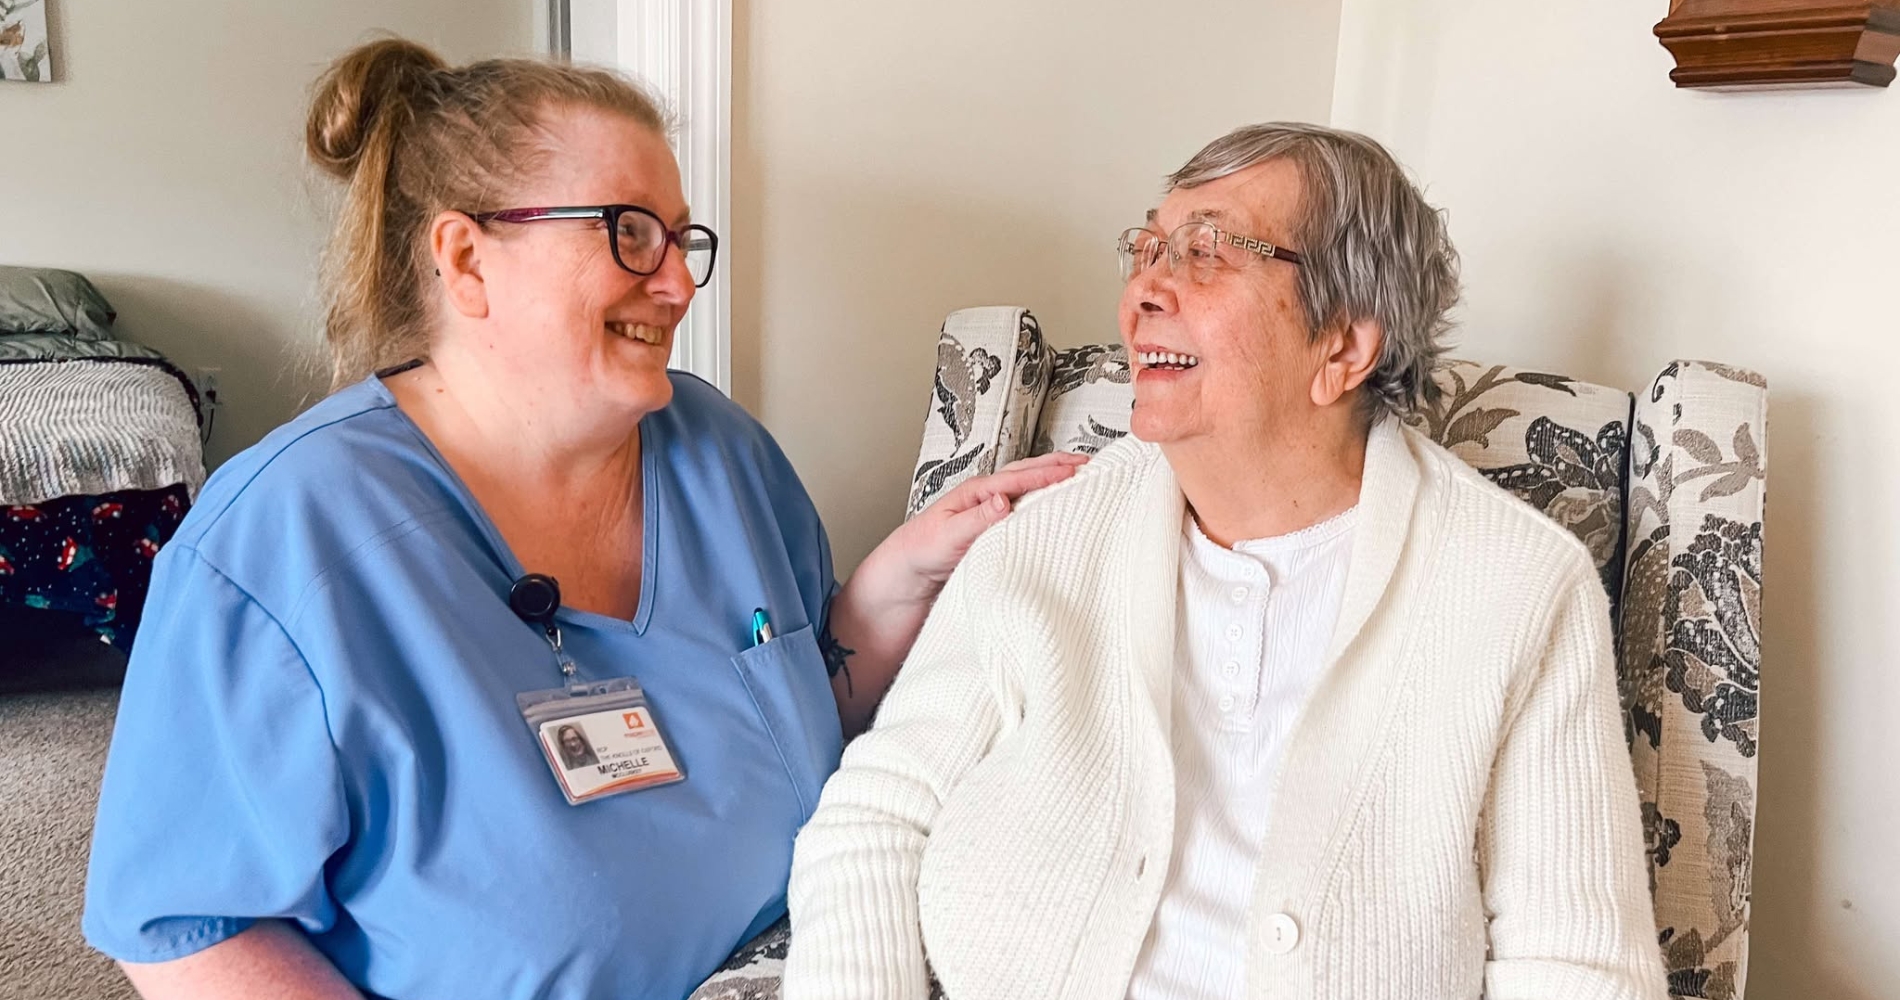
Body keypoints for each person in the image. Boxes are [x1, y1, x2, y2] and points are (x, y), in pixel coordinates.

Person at [81, 38, 1081, 1000]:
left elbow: (808, 708)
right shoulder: (282, 541)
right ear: (466, 260)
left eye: (682, 238)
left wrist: (900, 577)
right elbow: (188, 928)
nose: (680, 282)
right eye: (628, 231)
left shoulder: (722, 453)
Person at [783, 123, 1668, 1000]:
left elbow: (1578, 964)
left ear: (1344, 347)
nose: (1142, 294)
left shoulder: (1518, 589)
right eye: (1147, 249)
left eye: (1205, 253)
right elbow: (876, 813)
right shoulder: (1050, 534)